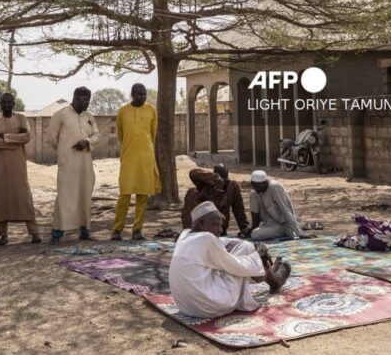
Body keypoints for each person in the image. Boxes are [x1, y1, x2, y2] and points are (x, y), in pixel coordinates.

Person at [169, 202, 291, 319]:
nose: (220, 229)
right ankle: (273, 280)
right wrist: (258, 254)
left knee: (245, 248)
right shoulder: (206, 238)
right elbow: (236, 266)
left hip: (187, 307)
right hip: (209, 306)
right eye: (215, 224)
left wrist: (256, 248)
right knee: (246, 252)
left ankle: (266, 272)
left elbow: (224, 242)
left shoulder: (185, 236)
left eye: (220, 225)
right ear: (201, 224)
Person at [47, 87, 100, 244]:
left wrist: (87, 142)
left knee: (84, 194)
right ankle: (56, 234)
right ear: (76, 98)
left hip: (85, 162)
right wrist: (63, 150)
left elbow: (96, 135)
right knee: (65, 195)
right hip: (68, 162)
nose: (88, 103)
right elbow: (51, 137)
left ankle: (84, 231)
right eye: (85, 99)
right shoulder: (61, 115)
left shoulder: (89, 116)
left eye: (89, 99)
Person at [0, 92, 41, 245]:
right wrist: (15, 139)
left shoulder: (21, 118)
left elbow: (26, 137)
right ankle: (3, 235)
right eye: (4, 103)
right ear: (0, 104)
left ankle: (34, 233)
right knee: (1, 196)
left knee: (23, 195)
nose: (7, 105)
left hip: (18, 163)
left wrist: (4, 136)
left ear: (14, 104)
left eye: (9, 102)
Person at [112, 83, 160, 241]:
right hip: (128, 158)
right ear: (132, 94)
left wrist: (145, 148)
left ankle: (137, 230)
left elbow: (152, 134)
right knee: (124, 194)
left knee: (142, 196)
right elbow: (120, 134)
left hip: (145, 158)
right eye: (139, 94)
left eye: (144, 94)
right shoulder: (123, 111)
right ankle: (117, 229)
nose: (142, 96)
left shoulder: (151, 110)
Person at [246, 170, 302, 240]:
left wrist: (299, 233)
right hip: (268, 224)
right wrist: (249, 228)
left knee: (255, 234)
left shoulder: (275, 187)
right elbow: (256, 216)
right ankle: (253, 230)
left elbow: (286, 210)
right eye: (253, 186)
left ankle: (285, 231)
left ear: (264, 182)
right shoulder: (257, 192)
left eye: (257, 186)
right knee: (253, 194)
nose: (255, 188)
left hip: (281, 225)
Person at [212, 164, 249, 236]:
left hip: (222, 227)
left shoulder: (232, 186)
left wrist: (244, 228)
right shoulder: (207, 186)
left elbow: (238, 209)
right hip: (207, 227)